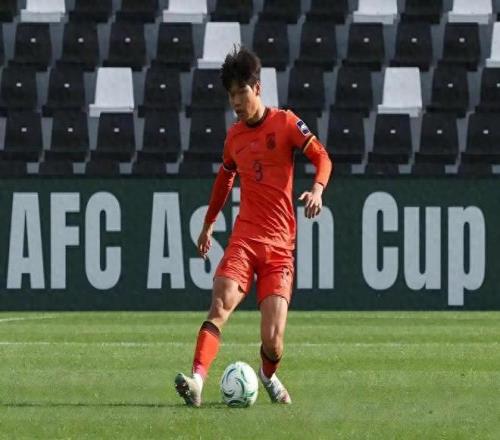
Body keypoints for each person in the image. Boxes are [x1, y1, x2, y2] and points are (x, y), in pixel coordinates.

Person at [175, 47, 333, 407]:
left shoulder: (286, 123)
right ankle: (197, 381)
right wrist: (209, 224)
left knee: (273, 342)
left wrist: (317, 190)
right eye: (231, 95)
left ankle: (267, 375)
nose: (236, 101)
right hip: (245, 240)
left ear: (257, 88)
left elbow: (322, 157)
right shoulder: (234, 138)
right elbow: (224, 180)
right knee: (220, 304)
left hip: (279, 248)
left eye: (241, 92)